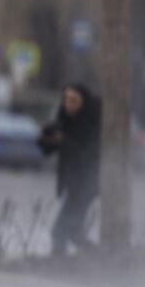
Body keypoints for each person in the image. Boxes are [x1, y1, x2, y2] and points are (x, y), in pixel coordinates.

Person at [39, 83, 101, 256]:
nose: (68, 104)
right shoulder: (65, 119)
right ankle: (98, 258)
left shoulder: (90, 124)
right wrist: (47, 137)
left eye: (73, 100)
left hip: (85, 186)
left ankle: (59, 262)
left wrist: (64, 141)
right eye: (66, 99)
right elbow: (47, 149)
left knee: (60, 231)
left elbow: (88, 156)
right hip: (73, 184)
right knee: (74, 232)